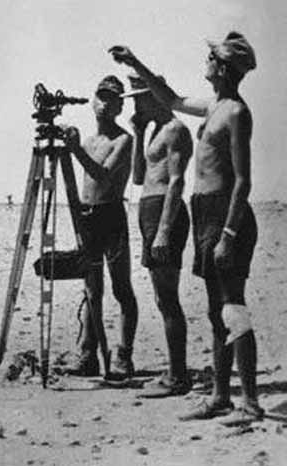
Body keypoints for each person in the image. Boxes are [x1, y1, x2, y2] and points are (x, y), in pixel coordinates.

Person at [110, 32, 264, 423]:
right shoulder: (215, 105)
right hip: (204, 212)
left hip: (226, 213)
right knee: (216, 312)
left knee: (232, 309)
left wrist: (228, 234)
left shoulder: (235, 112)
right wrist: (135, 62)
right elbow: (172, 99)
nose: (206, 63)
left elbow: (243, 181)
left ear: (223, 67)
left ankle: (249, 402)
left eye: (211, 58)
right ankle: (220, 396)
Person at [60, 75, 138, 379]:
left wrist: (75, 151)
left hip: (112, 216)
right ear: (93, 101)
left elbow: (103, 176)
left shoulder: (123, 140)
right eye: (101, 97)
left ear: (120, 105)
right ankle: (89, 353)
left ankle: (123, 355)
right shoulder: (90, 141)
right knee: (92, 289)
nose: (105, 103)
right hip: (88, 216)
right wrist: (75, 148)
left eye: (112, 98)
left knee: (121, 289)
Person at [123, 73, 193, 397]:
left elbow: (176, 181)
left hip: (165, 212)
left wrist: (165, 228)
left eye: (140, 97)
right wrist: (138, 131)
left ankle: (178, 376)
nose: (136, 104)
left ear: (154, 96)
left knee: (168, 297)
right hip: (149, 210)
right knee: (162, 297)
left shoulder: (176, 130)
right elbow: (138, 177)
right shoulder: (153, 131)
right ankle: (174, 372)